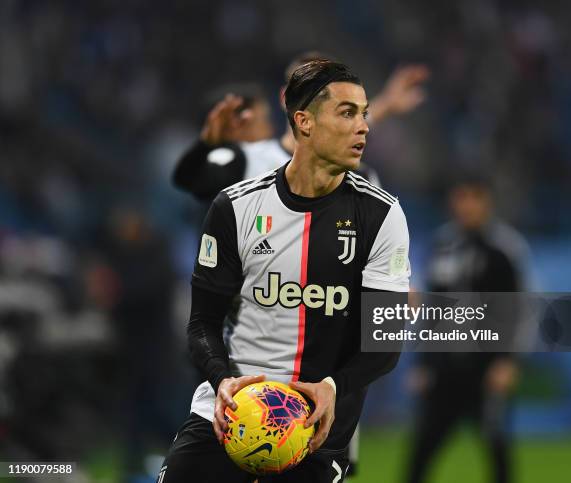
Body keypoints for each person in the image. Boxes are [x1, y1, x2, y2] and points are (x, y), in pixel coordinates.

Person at [159, 60, 411, 483]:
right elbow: (202, 324)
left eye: (365, 113)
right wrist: (222, 381)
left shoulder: (381, 215)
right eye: (348, 113)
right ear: (304, 122)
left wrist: (332, 386)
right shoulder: (235, 206)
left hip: (313, 428)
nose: (364, 126)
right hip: (228, 415)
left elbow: (384, 343)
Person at [172, 51, 429, 201]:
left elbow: (380, 263)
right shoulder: (246, 161)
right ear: (286, 98)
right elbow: (187, 181)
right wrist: (206, 143)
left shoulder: (361, 178)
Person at [406, 175, 530, 483]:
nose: (465, 206)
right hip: (446, 367)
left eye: (473, 198)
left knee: (497, 448)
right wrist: (423, 363)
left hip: (486, 367)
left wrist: (508, 360)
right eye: (460, 198)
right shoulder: (442, 244)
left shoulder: (505, 247)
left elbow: (519, 308)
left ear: (486, 201)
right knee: (421, 450)